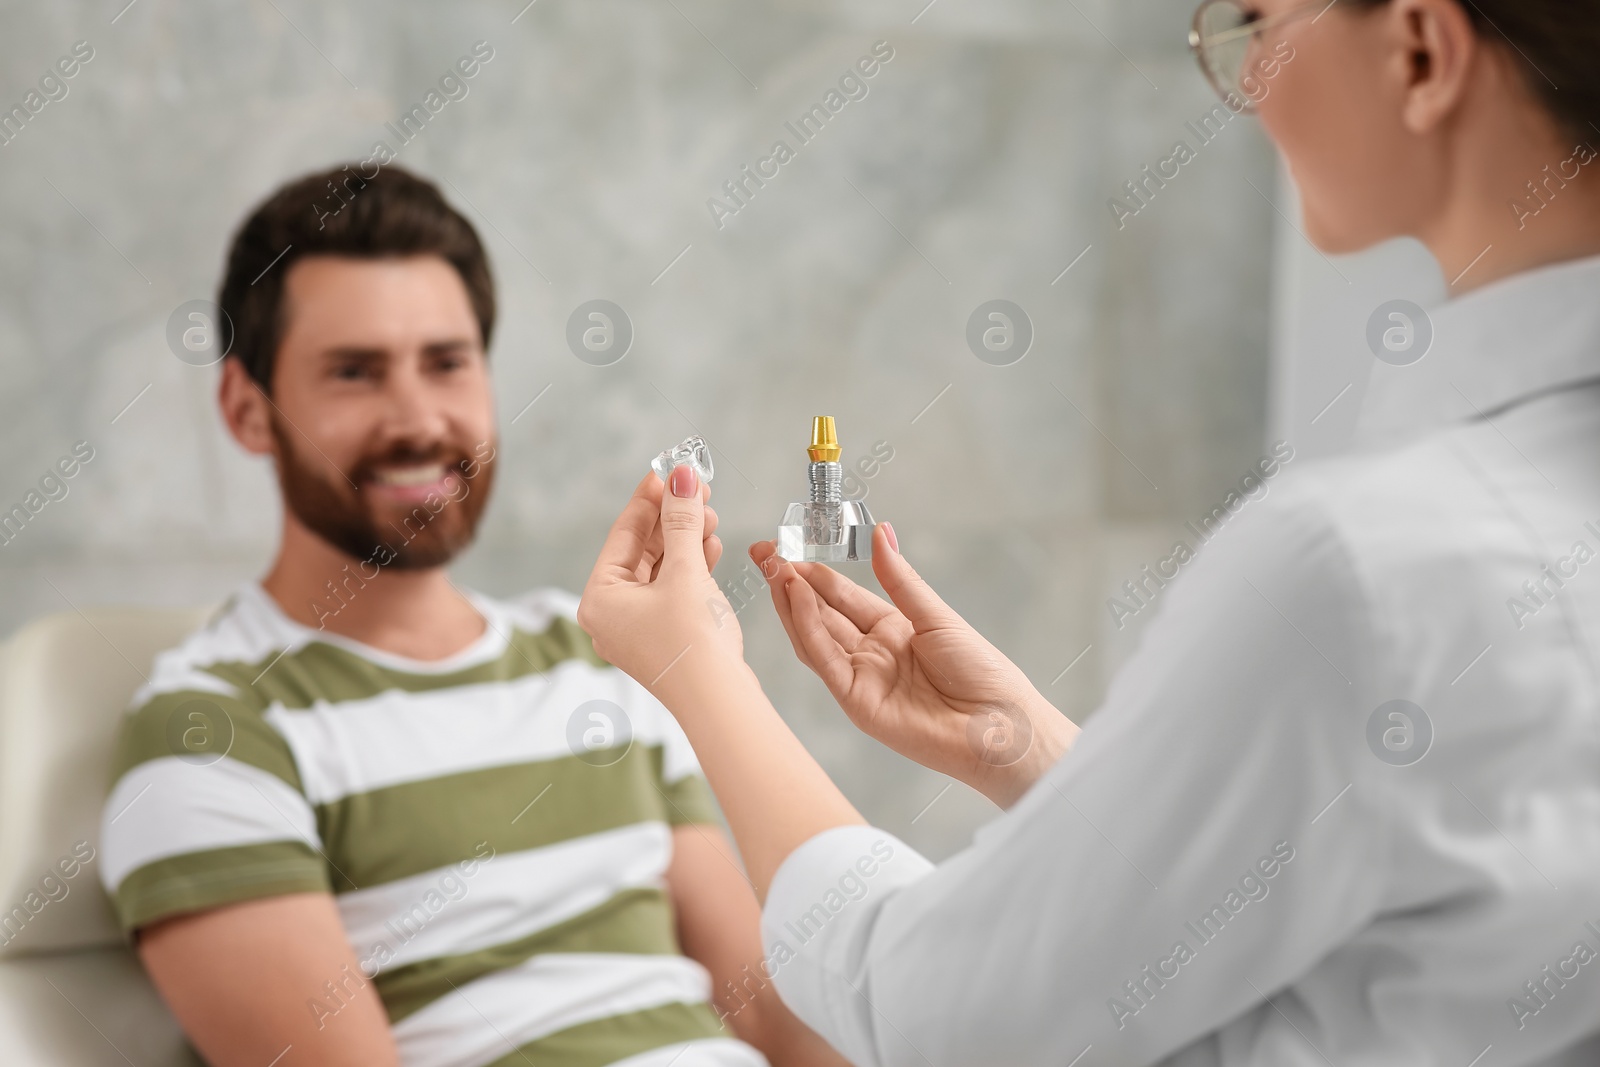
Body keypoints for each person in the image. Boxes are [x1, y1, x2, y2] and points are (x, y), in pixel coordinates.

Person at [575, 1, 1600, 1064]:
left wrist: (696, 667)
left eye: (1254, 20)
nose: (1245, 84)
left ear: (1421, 51)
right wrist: (1031, 751)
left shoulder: (1359, 570)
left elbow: (939, 1012)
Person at [97, 166, 847, 1067]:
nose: (417, 418)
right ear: (247, 411)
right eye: (353, 372)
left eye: (447, 363)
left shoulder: (595, 658)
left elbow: (777, 1018)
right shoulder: (213, 731)